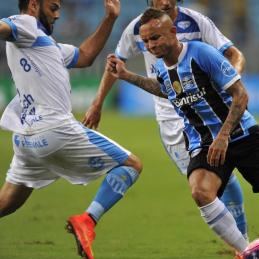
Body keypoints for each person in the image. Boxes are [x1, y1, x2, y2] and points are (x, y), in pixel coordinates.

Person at [106, 8, 259, 259]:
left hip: (242, 135)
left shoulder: (201, 53)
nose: (151, 45)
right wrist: (127, 76)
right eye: (146, 41)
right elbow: (165, 90)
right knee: (201, 191)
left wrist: (223, 135)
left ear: (173, 32)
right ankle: (248, 256)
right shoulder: (160, 67)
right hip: (204, 142)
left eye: (155, 38)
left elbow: (241, 95)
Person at [82, 0, 249, 240]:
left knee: (224, 181)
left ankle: (243, 246)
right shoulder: (136, 28)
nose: (163, 1)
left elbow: (234, 55)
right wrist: (97, 103)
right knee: (208, 187)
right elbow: (115, 64)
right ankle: (244, 247)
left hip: (204, 112)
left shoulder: (196, 21)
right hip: (171, 120)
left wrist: (229, 79)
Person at [0, 0, 143, 259]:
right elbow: (5, 27)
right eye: (53, 7)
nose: (57, 14)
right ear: (33, 5)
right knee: (131, 165)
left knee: (7, 203)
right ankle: (88, 221)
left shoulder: (44, 44)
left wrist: (109, 18)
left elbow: (85, 56)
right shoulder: (25, 24)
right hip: (55, 130)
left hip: (25, 137)